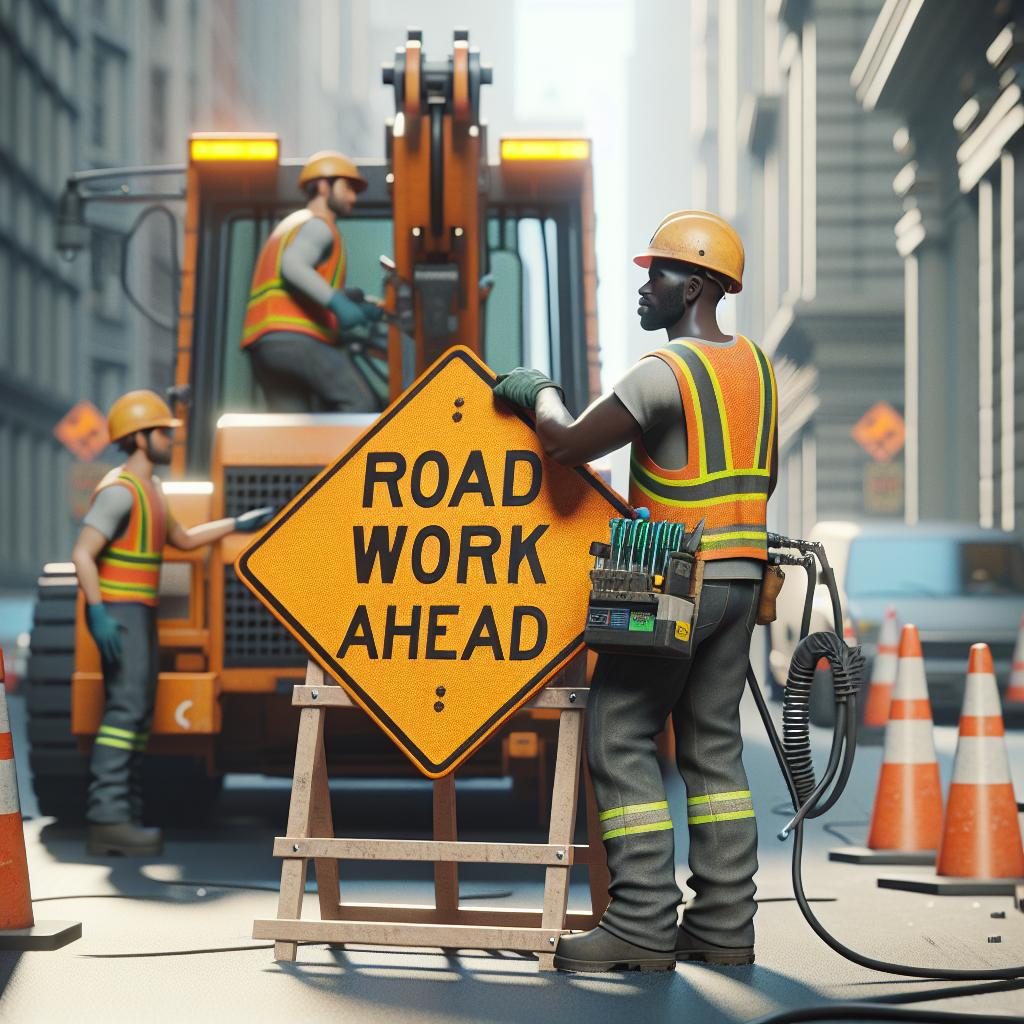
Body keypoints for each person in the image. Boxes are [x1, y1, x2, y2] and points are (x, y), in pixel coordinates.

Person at [494, 210, 778, 972]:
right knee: (713, 747)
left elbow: (567, 443)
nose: (643, 288)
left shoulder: (665, 374)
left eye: (654, 274)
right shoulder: (757, 368)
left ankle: (643, 922)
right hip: (745, 578)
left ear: (693, 285)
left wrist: (537, 391)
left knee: (620, 733)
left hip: (673, 578)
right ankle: (723, 924)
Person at [71, 390, 275, 856]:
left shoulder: (150, 491)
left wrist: (236, 523)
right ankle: (108, 819)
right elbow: (83, 553)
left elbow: (182, 541)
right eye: (163, 432)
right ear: (140, 438)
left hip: (137, 612)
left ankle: (124, 813)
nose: (170, 440)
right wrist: (98, 611)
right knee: (123, 713)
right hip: (119, 612)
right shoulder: (120, 491)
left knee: (137, 713)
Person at [240, 150, 383, 412]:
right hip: (297, 340)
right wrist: (337, 303)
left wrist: (353, 303)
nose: (353, 197)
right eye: (347, 188)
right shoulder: (318, 226)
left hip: (264, 345)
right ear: (323, 186)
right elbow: (293, 266)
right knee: (360, 403)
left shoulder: (290, 226)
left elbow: (303, 287)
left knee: (294, 430)